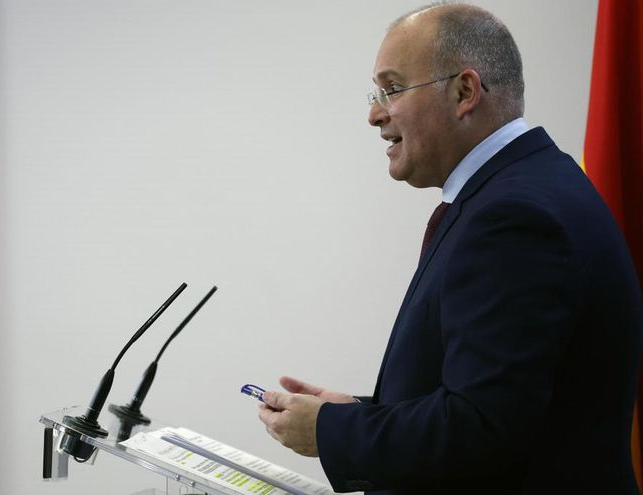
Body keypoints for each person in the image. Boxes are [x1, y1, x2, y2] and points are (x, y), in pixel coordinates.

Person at [256, 3, 643, 494]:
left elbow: (481, 428)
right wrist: (360, 415)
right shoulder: (526, 187)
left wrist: (330, 431)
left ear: (464, 91)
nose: (375, 114)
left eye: (392, 89)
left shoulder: (515, 218)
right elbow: (489, 399)